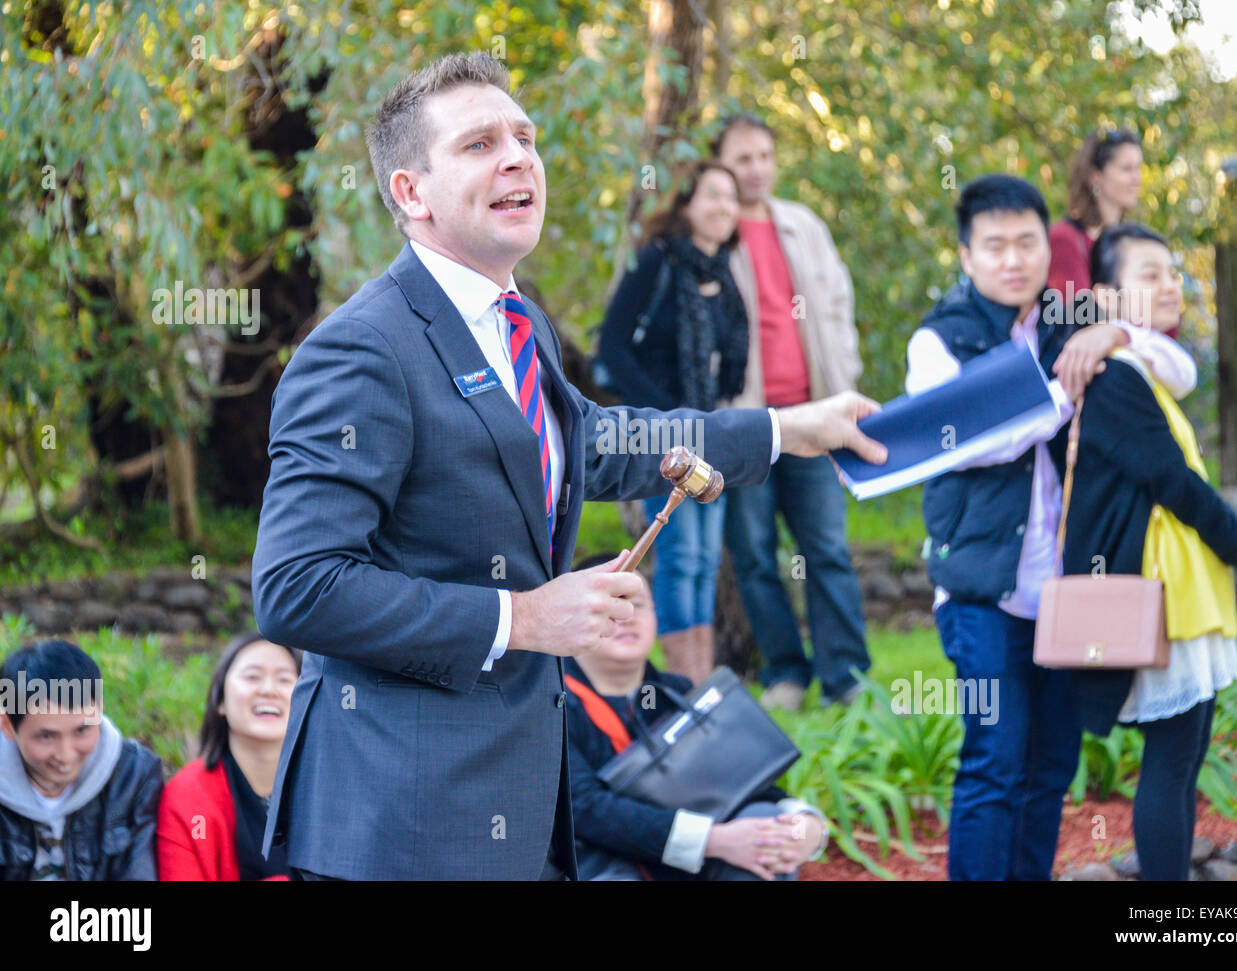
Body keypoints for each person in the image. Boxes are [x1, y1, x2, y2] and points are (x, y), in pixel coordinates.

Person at [251, 52, 887, 881]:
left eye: (525, 136)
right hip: (401, 825)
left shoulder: (521, 327)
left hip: (518, 816)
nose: (519, 156)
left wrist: (787, 428)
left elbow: (600, 442)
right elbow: (297, 585)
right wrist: (523, 619)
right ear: (411, 192)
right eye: (481, 144)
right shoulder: (361, 349)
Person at [904, 174, 1199, 881]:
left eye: (1027, 243)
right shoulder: (938, 339)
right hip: (983, 590)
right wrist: (1065, 393)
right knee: (995, 760)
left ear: (1048, 245)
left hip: (1073, 592)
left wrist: (1117, 330)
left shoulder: (1074, 315)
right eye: (995, 245)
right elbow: (971, 439)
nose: (1013, 260)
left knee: (1051, 767)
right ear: (967, 255)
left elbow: (1178, 369)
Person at [1062, 223, 1237, 880]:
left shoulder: (1146, 369)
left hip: (1183, 590)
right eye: (1149, 274)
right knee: (1169, 766)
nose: (1169, 284)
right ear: (1107, 297)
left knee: (1185, 758)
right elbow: (1174, 482)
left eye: (1172, 271)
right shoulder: (1114, 378)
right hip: (1156, 598)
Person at [711, 113, 871, 711]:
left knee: (825, 546)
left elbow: (837, 304)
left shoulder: (803, 225)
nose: (755, 169)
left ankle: (845, 676)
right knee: (754, 554)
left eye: (763, 156)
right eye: (741, 158)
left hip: (815, 416)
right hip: (747, 423)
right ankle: (785, 673)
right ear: (721, 163)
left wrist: (844, 383)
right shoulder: (715, 231)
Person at [564, 553, 827, 880]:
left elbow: (740, 782)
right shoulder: (551, 702)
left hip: (682, 859)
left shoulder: (680, 693)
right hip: (597, 862)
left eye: (638, 604)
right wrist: (712, 840)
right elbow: (583, 808)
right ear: (576, 616)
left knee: (764, 830)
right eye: (611, 605)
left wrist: (806, 825)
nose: (627, 617)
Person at [597, 160, 749, 684]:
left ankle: (701, 686)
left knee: (705, 560)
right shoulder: (655, 263)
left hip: (709, 436)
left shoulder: (723, 276)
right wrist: (664, 415)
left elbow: (730, 361)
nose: (723, 207)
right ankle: (688, 685)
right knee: (681, 557)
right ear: (685, 205)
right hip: (662, 439)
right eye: (711, 195)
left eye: (730, 198)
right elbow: (612, 349)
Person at [0, 639, 162, 880]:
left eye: (83, 730)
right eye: (46, 736)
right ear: (8, 726)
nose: (66, 755)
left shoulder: (133, 775)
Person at [156, 633, 301, 880]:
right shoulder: (188, 797)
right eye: (252, 676)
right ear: (220, 699)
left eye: (284, 679)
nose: (268, 690)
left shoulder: (334, 791)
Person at [1046, 128, 1143, 299]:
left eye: (1138, 168)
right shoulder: (1066, 239)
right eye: (1127, 169)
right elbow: (1077, 315)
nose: (1137, 178)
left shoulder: (1134, 241)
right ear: (1096, 176)